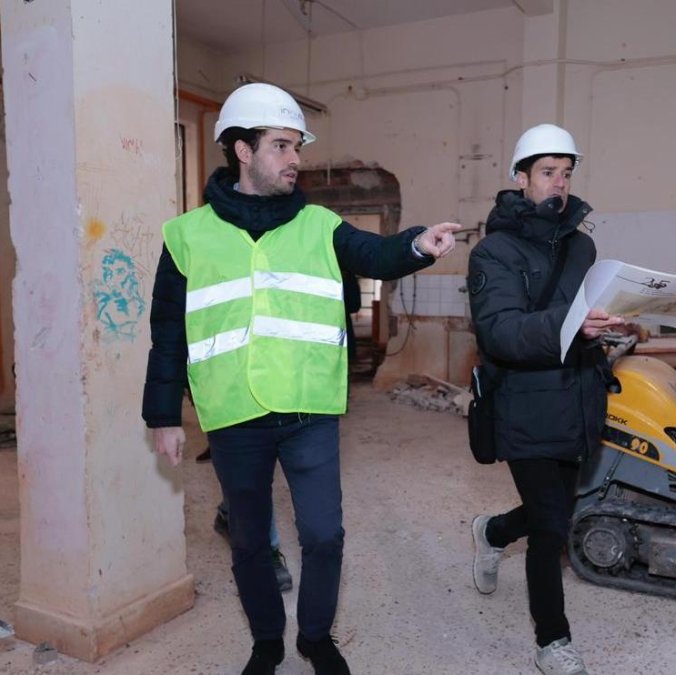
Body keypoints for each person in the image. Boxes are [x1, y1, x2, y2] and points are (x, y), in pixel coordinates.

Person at [142, 82, 459, 675]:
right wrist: (162, 416)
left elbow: (376, 254)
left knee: (323, 534)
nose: (295, 159)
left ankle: (315, 637)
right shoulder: (185, 236)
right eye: (282, 145)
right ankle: (267, 642)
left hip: (309, 410)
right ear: (243, 150)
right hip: (233, 414)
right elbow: (167, 332)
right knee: (249, 541)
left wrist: (418, 244)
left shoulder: (319, 225)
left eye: (296, 147)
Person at [467, 124, 622, 675]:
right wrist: (573, 324)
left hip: (577, 397)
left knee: (552, 510)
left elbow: (586, 311)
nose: (559, 183)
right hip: (524, 402)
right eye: (548, 172)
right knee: (551, 527)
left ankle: (491, 531)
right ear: (520, 178)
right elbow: (501, 333)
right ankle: (552, 642)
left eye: (566, 173)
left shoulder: (583, 246)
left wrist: (616, 326)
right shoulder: (493, 252)